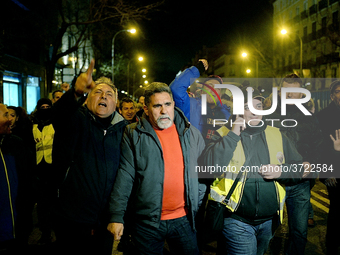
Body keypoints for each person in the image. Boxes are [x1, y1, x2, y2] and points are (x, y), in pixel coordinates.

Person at [107, 82, 206, 255]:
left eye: (167, 104)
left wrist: (195, 200)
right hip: (147, 223)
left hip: (183, 219)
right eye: (157, 106)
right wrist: (116, 215)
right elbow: (126, 175)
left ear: (173, 105)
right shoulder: (133, 133)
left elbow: (203, 170)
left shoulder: (189, 132)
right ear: (146, 108)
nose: (163, 111)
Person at [202, 91, 304, 255]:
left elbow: (300, 168)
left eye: (259, 106)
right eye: (248, 107)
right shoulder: (222, 133)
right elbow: (208, 166)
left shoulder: (277, 134)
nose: (255, 111)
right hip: (236, 219)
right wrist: (233, 134)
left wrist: (281, 171)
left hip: (269, 221)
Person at [51, 59, 128, 255]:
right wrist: (75, 92)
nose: (103, 96)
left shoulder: (124, 131)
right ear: (87, 99)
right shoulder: (76, 120)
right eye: (98, 92)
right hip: (72, 220)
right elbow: (57, 116)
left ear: (116, 102)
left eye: (109, 94)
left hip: (104, 222)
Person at [267, 74, 323, 254]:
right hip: (273, 182)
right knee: (268, 231)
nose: (290, 96)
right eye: (286, 92)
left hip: (300, 183)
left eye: (294, 92)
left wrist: (312, 163)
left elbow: (318, 144)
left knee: (299, 232)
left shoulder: (310, 118)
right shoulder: (270, 115)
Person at [169, 59, 231, 143]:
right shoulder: (191, 106)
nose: (213, 90)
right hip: (196, 155)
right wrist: (196, 70)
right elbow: (176, 88)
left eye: (218, 88)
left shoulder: (228, 113)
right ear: (201, 92)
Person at [0, 104, 34, 254]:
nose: (10, 119)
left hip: (18, 230)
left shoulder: (16, 143)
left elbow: (27, 180)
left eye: (11, 115)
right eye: (5, 115)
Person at [316, 80, 340, 255]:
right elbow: (320, 147)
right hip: (334, 172)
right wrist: (327, 172)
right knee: (336, 213)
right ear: (332, 95)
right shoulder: (323, 116)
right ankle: (332, 247)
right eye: (338, 91)